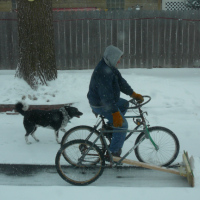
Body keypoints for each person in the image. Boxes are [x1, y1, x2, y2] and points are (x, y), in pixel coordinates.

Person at [87, 45, 144, 157]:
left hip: (105, 101)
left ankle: (110, 128)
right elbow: (106, 96)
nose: (119, 61)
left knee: (124, 104)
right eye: (118, 58)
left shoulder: (110, 66)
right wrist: (114, 112)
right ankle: (113, 153)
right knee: (123, 125)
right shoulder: (103, 71)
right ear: (112, 57)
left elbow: (121, 82)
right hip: (100, 104)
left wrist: (132, 94)